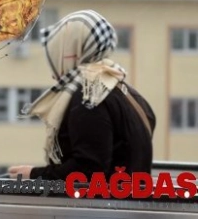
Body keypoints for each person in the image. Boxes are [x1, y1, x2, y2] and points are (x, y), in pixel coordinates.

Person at [8, 10, 155, 181]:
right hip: (130, 202)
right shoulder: (123, 90)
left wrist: (33, 175)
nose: (54, 74)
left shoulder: (90, 97)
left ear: (70, 51)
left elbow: (88, 170)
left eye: (57, 54)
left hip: (102, 206)